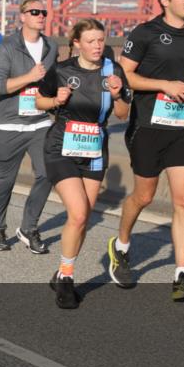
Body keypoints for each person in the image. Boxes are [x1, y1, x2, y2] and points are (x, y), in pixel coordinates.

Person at [113, 0, 184, 302]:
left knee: (183, 201)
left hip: (183, 127)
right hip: (148, 127)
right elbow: (123, 74)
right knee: (145, 196)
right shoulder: (146, 33)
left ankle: (181, 277)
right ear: (165, 0)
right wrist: (164, 85)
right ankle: (122, 244)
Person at [36, 19, 130, 308]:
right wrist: (55, 101)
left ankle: (62, 270)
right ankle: (66, 278)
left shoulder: (112, 71)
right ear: (76, 43)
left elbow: (123, 114)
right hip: (60, 147)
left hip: (94, 150)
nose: (97, 46)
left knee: (83, 218)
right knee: (77, 214)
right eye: (90, 41)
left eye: (101, 40)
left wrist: (117, 95)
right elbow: (39, 101)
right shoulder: (62, 70)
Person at [0, 0, 58, 253]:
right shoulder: (6, 47)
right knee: (6, 180)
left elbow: (52, 81)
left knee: (46, 174)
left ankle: (29, 228)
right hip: (10, 124)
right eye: (35, 11)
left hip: (39, 122)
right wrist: (29, 77)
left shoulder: (52, 47)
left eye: (44, 11)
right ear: (23, 17)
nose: (41, 15)